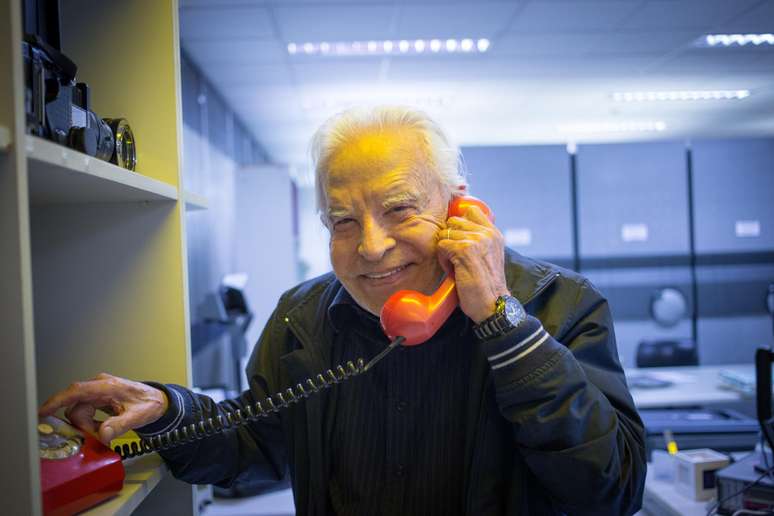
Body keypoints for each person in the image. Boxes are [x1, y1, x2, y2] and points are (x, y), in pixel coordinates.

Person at [40, 106, 646, 515]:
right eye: (344, 221)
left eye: (401, 209)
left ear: (460, 210)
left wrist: (503, 325)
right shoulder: (302, 318)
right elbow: (256, 447)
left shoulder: (560, 304)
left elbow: (611, 490)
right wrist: (173, 413)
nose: (372, 247)